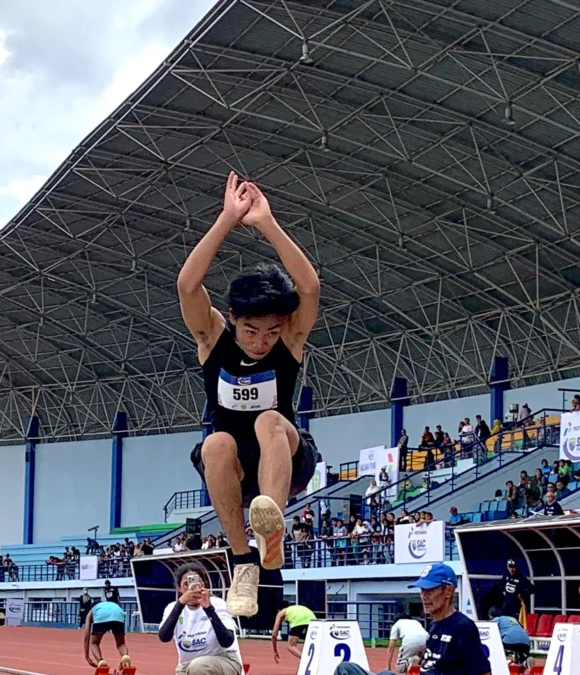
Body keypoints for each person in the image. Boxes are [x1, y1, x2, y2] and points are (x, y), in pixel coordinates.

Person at [178, 173, 320, 616]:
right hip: (235, 470)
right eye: (251, 330)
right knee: (215, 441)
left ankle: (270, 529)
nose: (261, 341)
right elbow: (187, 286)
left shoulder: (289, 343)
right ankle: (244, 562)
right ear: (233, 319)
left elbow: (310, 288)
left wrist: (267, 223)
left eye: (271, 331)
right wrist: (226, 219)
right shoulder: (211, 338)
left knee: (268, 420)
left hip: (286, 458)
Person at [335, 563, 490, 675]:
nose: (424, 597)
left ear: (448, 591)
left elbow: (483, 672)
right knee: (347, 668)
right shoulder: (435, 625)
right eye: (422, 591)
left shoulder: (463, 627)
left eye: (429, 591)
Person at [158, 563, 242, 675]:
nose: (190, 588)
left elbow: (227, 641)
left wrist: (208, 609)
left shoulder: (217, 604)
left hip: (224, 660)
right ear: (179, 588)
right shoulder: (172, 607)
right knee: (194, 667)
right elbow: (164, 637)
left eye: (194, 583)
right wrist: (181, 604)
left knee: (198, 666)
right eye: (185, 585)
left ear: (202, 584)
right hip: (186, 665)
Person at [83, 597, 130, 669]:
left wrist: (87, 656)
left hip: (101, 615)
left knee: (94, 643)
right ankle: (125, 656)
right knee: (121, 644)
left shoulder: (92, 610)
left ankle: (100, 661)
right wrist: (123, 659)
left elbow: (86, 636)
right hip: (118, 613)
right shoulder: (111, 604)